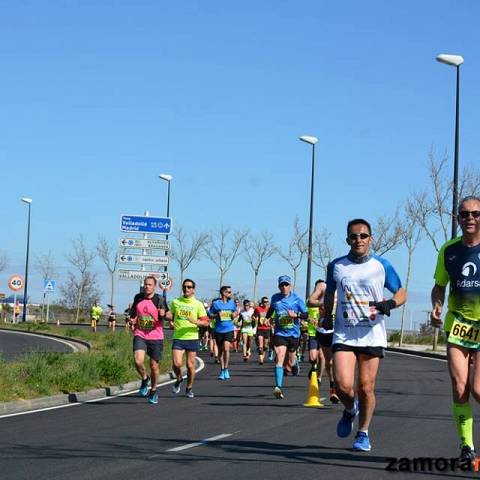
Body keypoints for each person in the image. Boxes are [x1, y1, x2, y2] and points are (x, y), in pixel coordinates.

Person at [323, 218, 406, 451]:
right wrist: (325, 315)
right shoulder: (336, 266)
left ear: (370, 238)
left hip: (372, 334)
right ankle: (350, 409)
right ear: (347, 239)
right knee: (342, 385)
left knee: (366, 387)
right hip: (344, 334)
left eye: (363, 236)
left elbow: (401, 292)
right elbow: (330, 293)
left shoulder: (382, 265)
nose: (358, 240)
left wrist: (389, 303)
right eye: (353, 236)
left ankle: (363, 432)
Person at [431, 196, 480, 461]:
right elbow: (439, 285)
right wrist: (437, 306)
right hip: (458, 326)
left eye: (475, 214)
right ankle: (467, 448)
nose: (470, 218)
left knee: (478, 388)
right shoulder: (448, 250)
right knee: (460, 387)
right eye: (464, 214)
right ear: (458, 218)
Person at [266, 275, 308, 399]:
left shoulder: (296, 299)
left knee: (289, 362)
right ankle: (278, 387)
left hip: (293, 334)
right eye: (282, 285)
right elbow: (271, 309)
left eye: (286, 285)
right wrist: (267, 318)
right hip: (280, 333)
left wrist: (296, 315)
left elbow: (306, 314)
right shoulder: (275, 298)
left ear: (290, 286)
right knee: (279, 357)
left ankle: (294, 363)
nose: (284, 287)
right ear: (279, 286)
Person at [128, 276, 168, 404]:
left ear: (154, 286)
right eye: (145, 284)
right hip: (140, 334)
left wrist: (164, 314)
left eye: (149, 284)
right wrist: (132, 319)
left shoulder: (160, 299)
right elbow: (133, 314)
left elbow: (169, 315)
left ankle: (154, 390)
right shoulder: (138, 297)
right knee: (138, 361)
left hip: (156, 336)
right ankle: (145, 378)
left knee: (154, 366)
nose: (147, 286)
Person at [167, 279, 209, 398]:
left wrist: (194, 321)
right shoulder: (176, 302)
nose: (187, 289)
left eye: (189, 287)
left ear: (193, 289)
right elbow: (171, 315)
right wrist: (170, 320)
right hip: (178, 337)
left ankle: (189, 387)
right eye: (185, 287)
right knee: (176, 364)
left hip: (192, 337)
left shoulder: (198, 304)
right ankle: (179, 379)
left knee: (190, 366)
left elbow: (206, 323)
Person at [308, 279, 339, 404]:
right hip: (324, 330)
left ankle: (336, 390)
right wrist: (323, 303)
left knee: (339, 360)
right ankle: (332, 387)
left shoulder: (347, 286)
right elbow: (310, 302)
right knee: (330, 363)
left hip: (341, 330)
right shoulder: (322, 287)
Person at [209, 286, 239, 380]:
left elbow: (236, 312)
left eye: (230, 292)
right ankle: (222, 370)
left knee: (226, 349)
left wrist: (234, 315)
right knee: (221, 351)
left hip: (229, 329)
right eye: (229, 292)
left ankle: (226, 368)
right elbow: (210, 314)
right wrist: (216, 315)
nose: (230, 293)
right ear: (223, 293)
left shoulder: (232, 303)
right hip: (218, 330)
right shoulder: (216, 304)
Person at [253, 297, 271, 365]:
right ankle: (261, 359)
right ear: (262, 302)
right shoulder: (258, 309)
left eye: (266, 302)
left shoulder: (269, 309)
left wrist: (270, 322)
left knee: (265, 346)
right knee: (261, 346)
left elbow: (272, 318)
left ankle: (263, 356)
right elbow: (254, 315)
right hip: (260, 328)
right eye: (264, 302)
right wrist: (255, 318)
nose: (265, 303)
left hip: (267, 329)